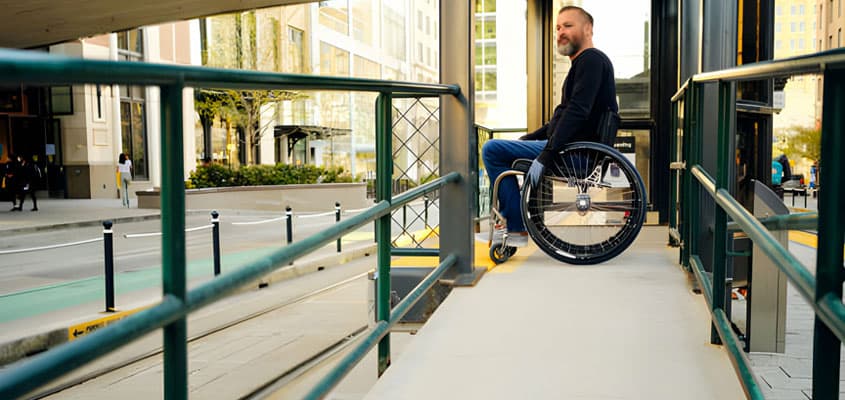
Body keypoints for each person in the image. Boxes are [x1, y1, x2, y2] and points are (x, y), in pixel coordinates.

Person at [480, 5, 618, 247]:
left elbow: (577, 112)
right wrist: (527, 139)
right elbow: (562, 117)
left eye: (568, 25)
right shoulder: (583, 65)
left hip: (575, 153)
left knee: (491, 150)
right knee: (505, 152)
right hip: (573, 150)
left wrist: (547, 154)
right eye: (557, 27)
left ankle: (515, 227)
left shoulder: (591, 61)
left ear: (588, 29)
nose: (560, 32)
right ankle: (513, 224)